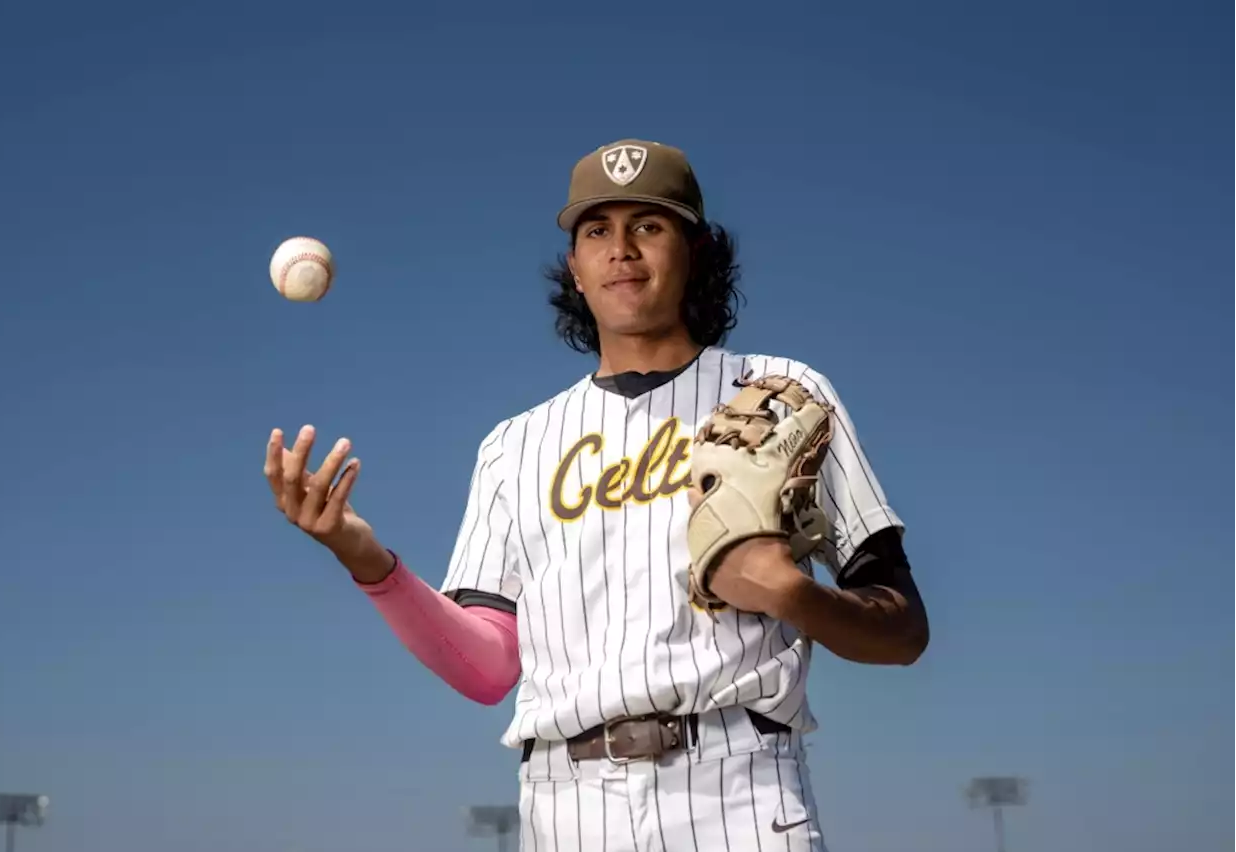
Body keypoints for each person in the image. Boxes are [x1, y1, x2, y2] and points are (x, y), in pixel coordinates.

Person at [263, 139, 930, 851]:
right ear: (575, 269)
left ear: (695, 252)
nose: (623, 250)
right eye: (597, 231)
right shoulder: (514, 445)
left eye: (649, 226)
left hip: (739, 788)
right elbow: (488, 669)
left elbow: (903, 629)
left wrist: (792, 595)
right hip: (567, 803)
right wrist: (365, 559)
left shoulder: (782, 397)